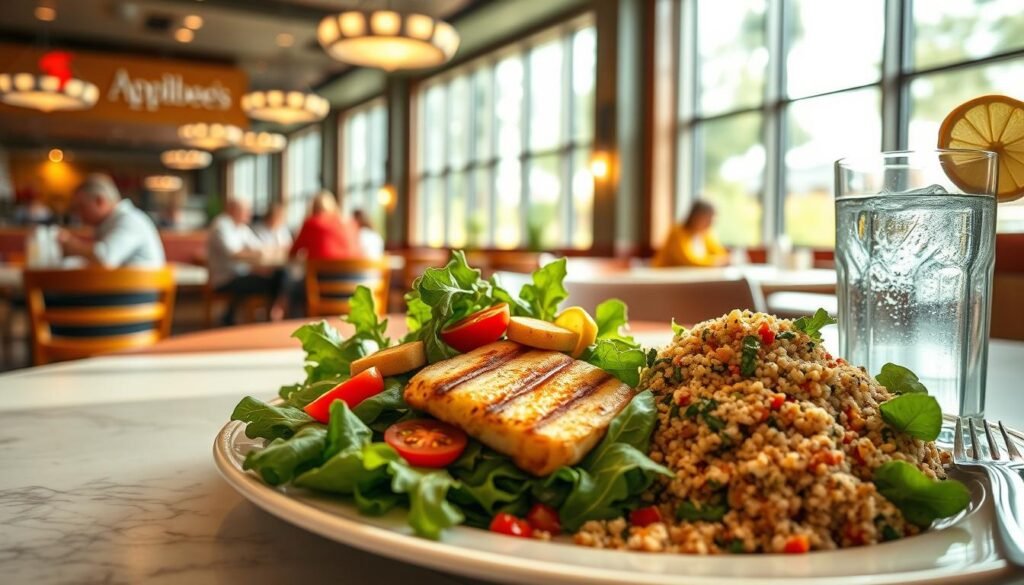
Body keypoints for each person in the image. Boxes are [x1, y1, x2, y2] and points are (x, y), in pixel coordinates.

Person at [207, 198, 287, 325]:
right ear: (233, 210)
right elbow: (233, 253)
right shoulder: (221, 225)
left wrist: (261, 252)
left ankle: (233, 315)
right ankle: (268, 319)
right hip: (224, 278)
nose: (249, 214)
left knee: (278, 276)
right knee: (274, 281)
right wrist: (257, 253)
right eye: (246, 210)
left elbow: (259, 247)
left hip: (239, 275)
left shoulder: (241, 227)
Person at [58, 173, 165, 267]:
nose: (78, 214)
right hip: (120, 286)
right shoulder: (108, 223)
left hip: (139, 288)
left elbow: (105, 258)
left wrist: (72, 246)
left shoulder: (129, 219)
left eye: (81, 207)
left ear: (100, 201)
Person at [652, 200, 729, 268]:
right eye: (708, 218)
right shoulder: (677, 232)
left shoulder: (705, 235)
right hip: (665, 279)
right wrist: (715, 262)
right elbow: (688, 261)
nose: (711, 222)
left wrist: (721, 260)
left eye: (713, 218)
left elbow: (721, 254)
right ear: (695, 216)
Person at [289, 191, 359, 260]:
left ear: (313, 207)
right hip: (357, 269)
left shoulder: (311, 224)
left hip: (323, 270)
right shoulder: (350, 223)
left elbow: (293, 252)